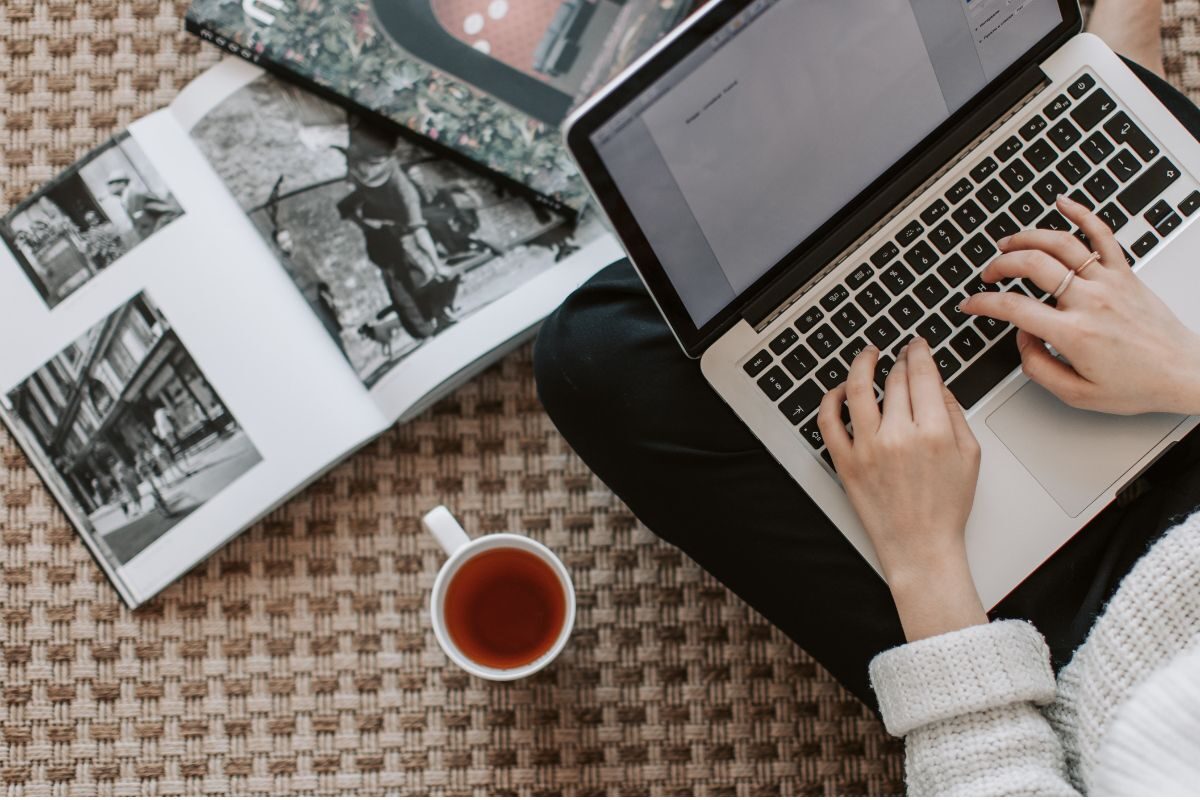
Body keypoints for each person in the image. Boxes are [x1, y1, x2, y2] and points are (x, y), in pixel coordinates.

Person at [533, 1, 1200, 792]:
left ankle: (1104, 91)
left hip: (1062, 652)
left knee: (599, 351)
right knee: (1110, 131)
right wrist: (1182, 368)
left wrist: (925, 564)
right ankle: (1097, 93)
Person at [336, 120, 460, 339]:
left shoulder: (404, 190)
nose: (366, 173)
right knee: (400, 281)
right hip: (384, 234)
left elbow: (419, 230)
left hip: (400, 230)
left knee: (414, 276)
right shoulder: (362, 161)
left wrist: (436, 264)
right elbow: (347, 199)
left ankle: (433, 317)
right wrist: (367, 226)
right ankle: (425, 326)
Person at [105, 170, 178, 240]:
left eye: (111, 184)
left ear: (122, 183)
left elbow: (168, 212)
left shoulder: (137, 196)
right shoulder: (125, 202)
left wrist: (156, 233)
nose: (109, 188)